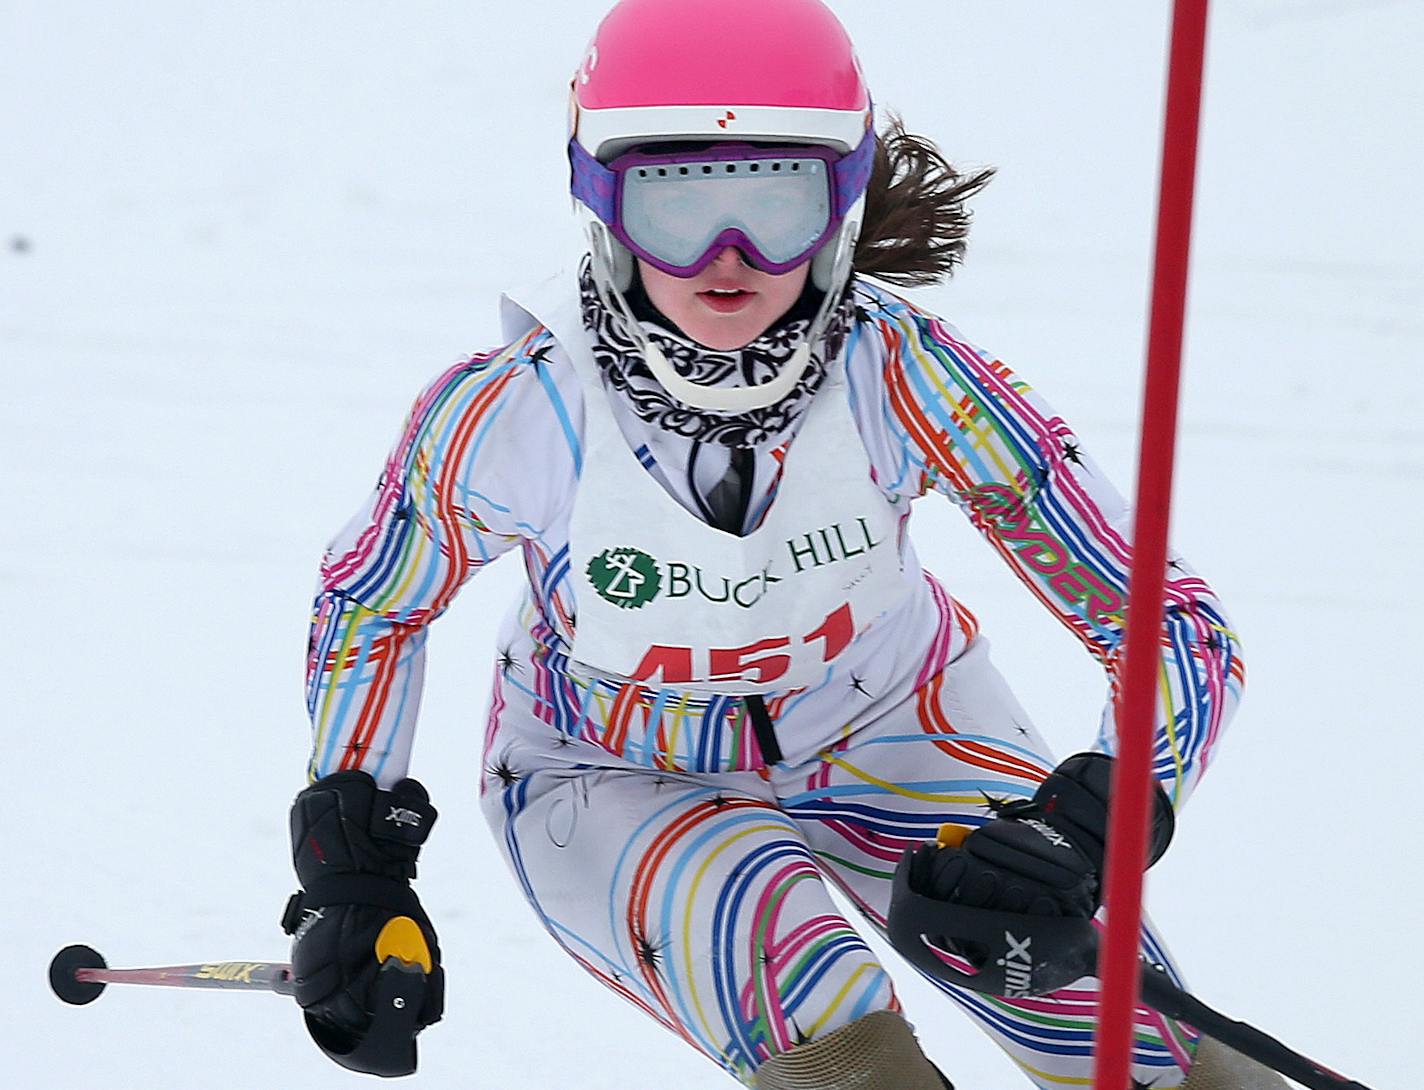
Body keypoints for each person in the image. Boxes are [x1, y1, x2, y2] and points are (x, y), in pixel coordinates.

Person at [278, 1, 1284, 1087]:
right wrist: (353, 863)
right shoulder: (516, 414)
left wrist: (1091, 823)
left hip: (898, 726)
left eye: (776, 199)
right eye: (674, 206)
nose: (728, 257)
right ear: (598, 197)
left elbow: (1173, 625)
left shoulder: (901, 375)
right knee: (837, 1036)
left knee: (1155, 1058)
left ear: (841, 198)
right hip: (614, 771)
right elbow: (372, 602)